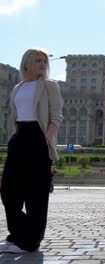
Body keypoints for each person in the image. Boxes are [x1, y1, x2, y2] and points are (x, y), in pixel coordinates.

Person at [0, 48, 64, 253]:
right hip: (19, 138)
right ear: (26, 63)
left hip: (38, 138)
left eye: (45, 61)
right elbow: (14, 116)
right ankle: (19, 234)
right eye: (38, 60)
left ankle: (29, 243)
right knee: (8, 192)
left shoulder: (49, 86)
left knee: (35, 196)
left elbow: (56, 117)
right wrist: (13, 138)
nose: (43, 64)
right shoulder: (17, 88)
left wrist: (45, 138)